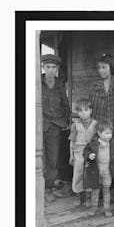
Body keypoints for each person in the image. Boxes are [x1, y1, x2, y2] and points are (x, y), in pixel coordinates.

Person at [83, 120, 114, 217]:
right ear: (99, 133)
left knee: (106, 189)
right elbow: (85, 151)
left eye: (110, 133)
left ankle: (107, 208)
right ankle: (94, 207)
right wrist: (89, 155)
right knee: (95, 190)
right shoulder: (93, 144)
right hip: (96, 171)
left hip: (107, 171)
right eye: (106, 133)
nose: (109, 136)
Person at [41, 54, 71, 203]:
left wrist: (66, 121)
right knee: (37, 159)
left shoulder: (60, 84)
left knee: (52, 160)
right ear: (43, 68)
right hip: (39, 126)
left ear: (57, 68)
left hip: (55, 127)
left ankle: (48, 189)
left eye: (53, 67)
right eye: (48, 67)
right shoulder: (36, 82)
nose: (51, 70)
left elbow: (65, 105)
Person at [68, 98, 98, 206]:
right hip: (78, 153)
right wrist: (71, 155)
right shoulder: (75, 125)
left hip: (90, 153)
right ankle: (77, 195)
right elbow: (72, 141)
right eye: (80, 111)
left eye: (86, 110)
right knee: (78, 173)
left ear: (91, 110)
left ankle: (89, 197)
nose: (83, 113)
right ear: (78, 112)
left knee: (90, 174)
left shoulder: (95, 124)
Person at [89, 54, 114, 138]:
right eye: (99, 68)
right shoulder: (94, 86)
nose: (101, 70)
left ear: (111, 68)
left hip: (113, 127)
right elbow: (90, 108)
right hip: (97, 128)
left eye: (104, 67)